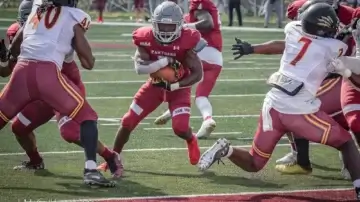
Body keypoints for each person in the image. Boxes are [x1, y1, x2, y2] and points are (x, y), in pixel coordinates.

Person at [197, 3, 360, 200]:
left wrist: (253, 48)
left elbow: (298, 42)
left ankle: (227, 149)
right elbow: (341, 53)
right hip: (298, 112)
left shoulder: (292, 30)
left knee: (254, 163)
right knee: (346, 142)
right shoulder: (335, 48)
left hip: (272, 106)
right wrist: (344, 44)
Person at [0, 0, 114, 186]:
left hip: (43, 76)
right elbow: (88, 63)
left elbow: (13, 52)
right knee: (86, 117)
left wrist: (8, 56)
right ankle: (86, 170)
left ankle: (109, 157)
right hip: (45, 79)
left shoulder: (38, 11)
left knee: (69, 132)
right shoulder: (72, 15)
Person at [97, 1, 205, 176]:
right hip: (155, 84)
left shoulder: (188, 39)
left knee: (180, 128)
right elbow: (140, 67)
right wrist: (163, 63)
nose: (165, 30)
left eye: (170, 27)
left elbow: (198, 74)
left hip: (179, 88)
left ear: (179, 26)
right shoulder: (145, 37)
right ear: (154, 23)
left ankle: (191, 139)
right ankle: (112, 159)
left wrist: (175, 84)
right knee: (127, 121)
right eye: (161, 25)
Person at [154, 0, 223, 139]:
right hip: (216, 58)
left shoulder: (199, 5)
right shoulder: (190, 13)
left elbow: (207, 24)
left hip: (202, 52)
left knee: (171, 66)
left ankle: (172, 109)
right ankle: (208, 119)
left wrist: (185, 26)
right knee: (201, 95)